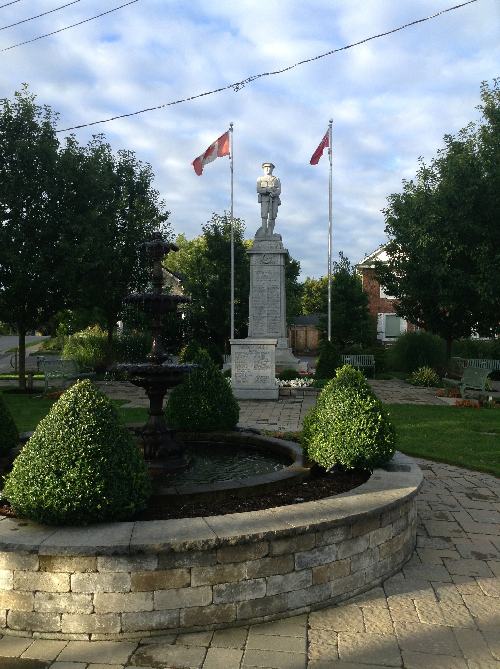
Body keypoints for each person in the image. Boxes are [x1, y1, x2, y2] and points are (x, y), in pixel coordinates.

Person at [256, 162, 281, 237]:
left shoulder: (276, 179)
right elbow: (258, 189)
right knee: (264, 215)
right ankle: (264, 231)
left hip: (274, 200)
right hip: (264, 199)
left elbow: (279, 190)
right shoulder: (260, 179)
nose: (267, 169)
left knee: (273, 216)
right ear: (263, 169)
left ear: (272, 169)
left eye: (269, 168)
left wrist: (274, 193)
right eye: (265, 168)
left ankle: (270, 232)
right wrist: (267, 190)